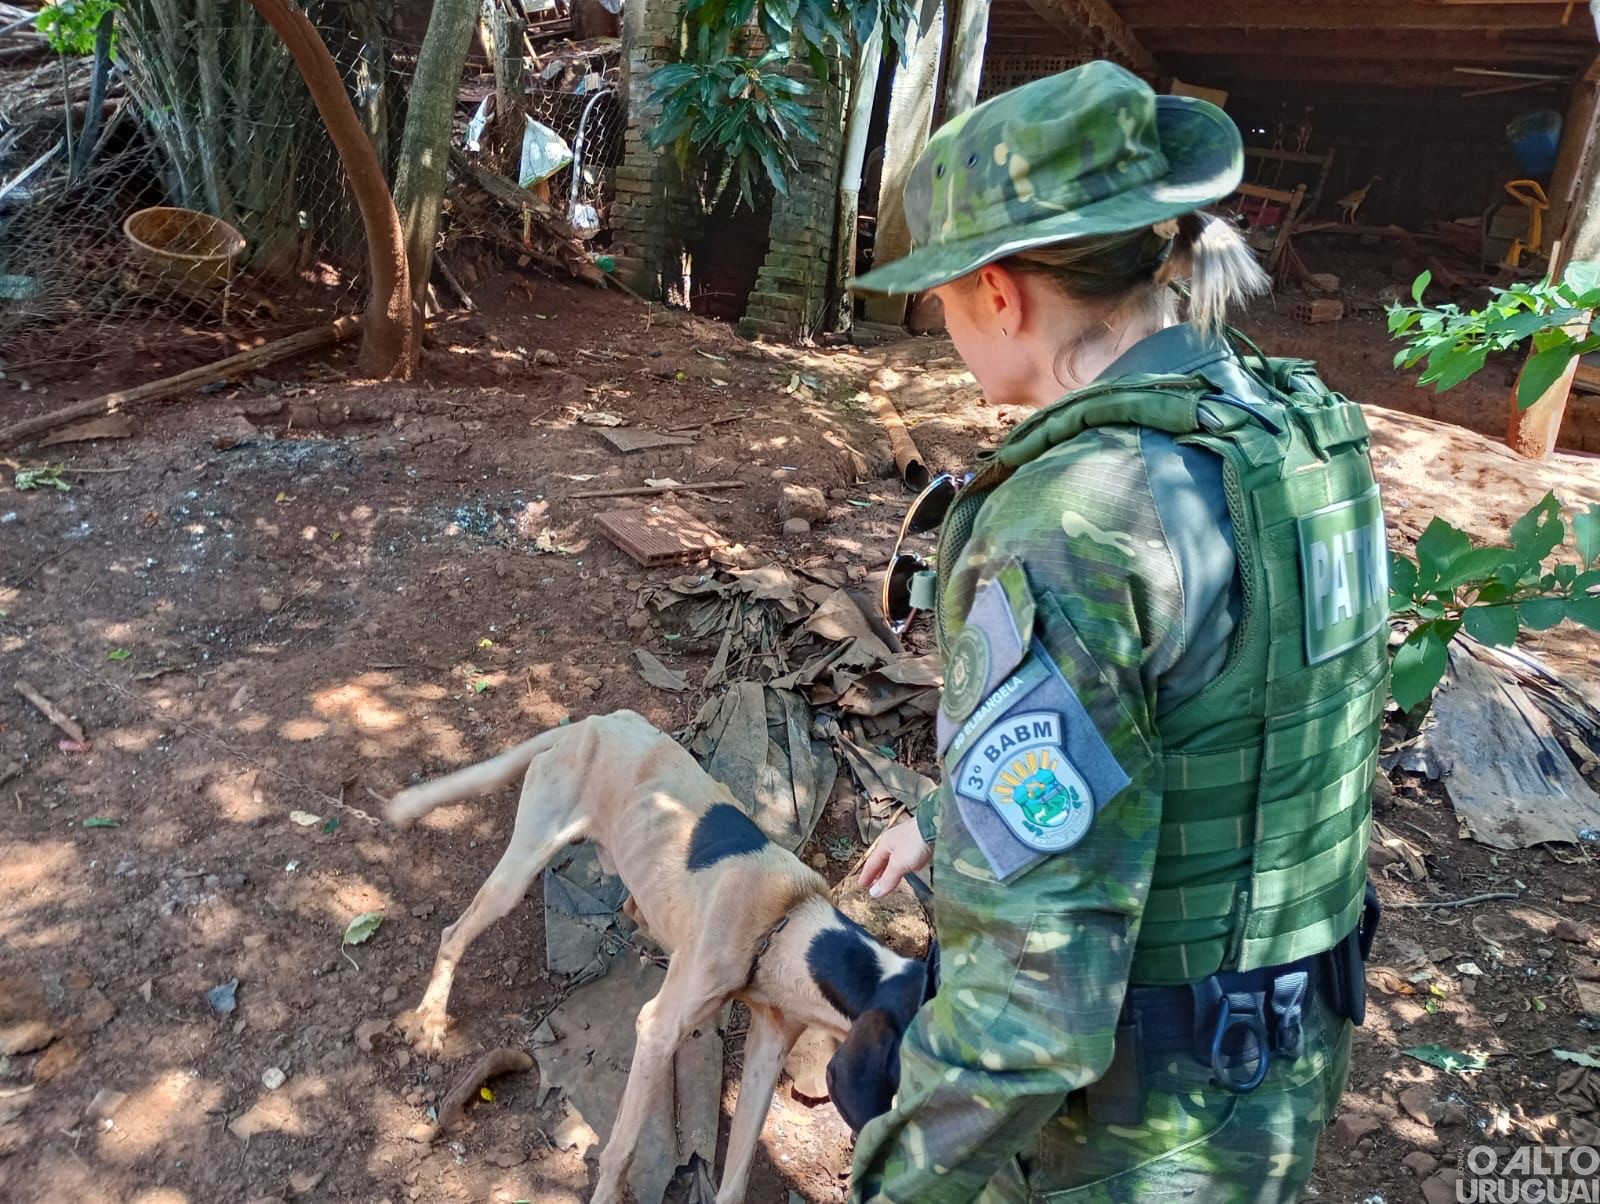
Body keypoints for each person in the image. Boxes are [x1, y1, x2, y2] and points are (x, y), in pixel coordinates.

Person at [845, 60, 1387, 1203]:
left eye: (940, 297)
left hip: (1133, 1134)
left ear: (1000, 293)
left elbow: (1033, 1004)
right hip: (1283, 1067)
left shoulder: (1071, 520)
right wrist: (954, 818)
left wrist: (894, 1178)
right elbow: (1218, 716)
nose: (941, 325)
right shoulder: (1286, 433)